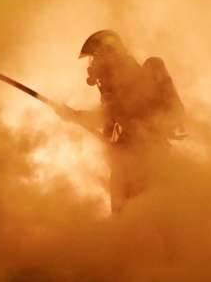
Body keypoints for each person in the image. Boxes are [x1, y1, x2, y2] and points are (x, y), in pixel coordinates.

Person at [56, 30, 187, 212]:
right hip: (129, 161)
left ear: (109, 53)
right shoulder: (112, 90)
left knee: (143, 215)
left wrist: (74, 116)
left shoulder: (139, 77)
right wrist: (74, 116)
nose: (93, 65)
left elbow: (110, 115)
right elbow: (107, 123)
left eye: (96, 58)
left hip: (147, 160)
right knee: (126, 217)